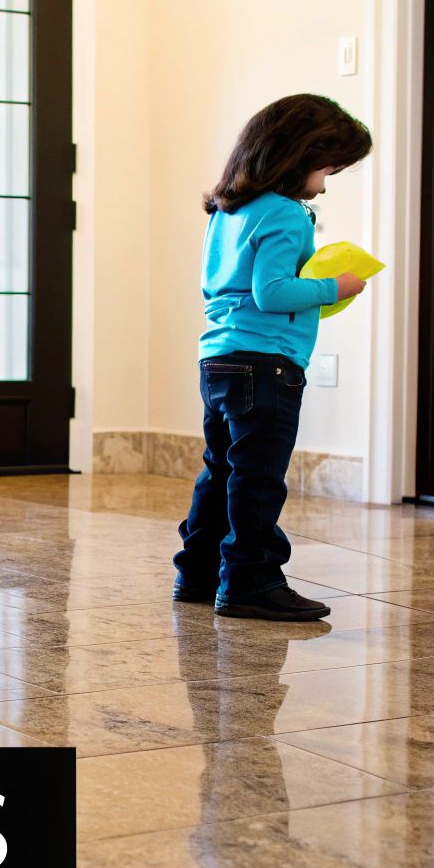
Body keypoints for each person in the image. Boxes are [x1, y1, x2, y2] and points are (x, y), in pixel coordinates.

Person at [172, 94, 373, 621]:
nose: (326, 183)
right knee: (258, 476)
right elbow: (274, 293)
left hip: (218, 359)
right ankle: (250, 581)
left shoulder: (226, 210)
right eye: (326, 169)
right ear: (298, 155)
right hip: (268, 365)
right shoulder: (286, 213)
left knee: (220, 470)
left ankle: (197, 573)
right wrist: (337, 285)